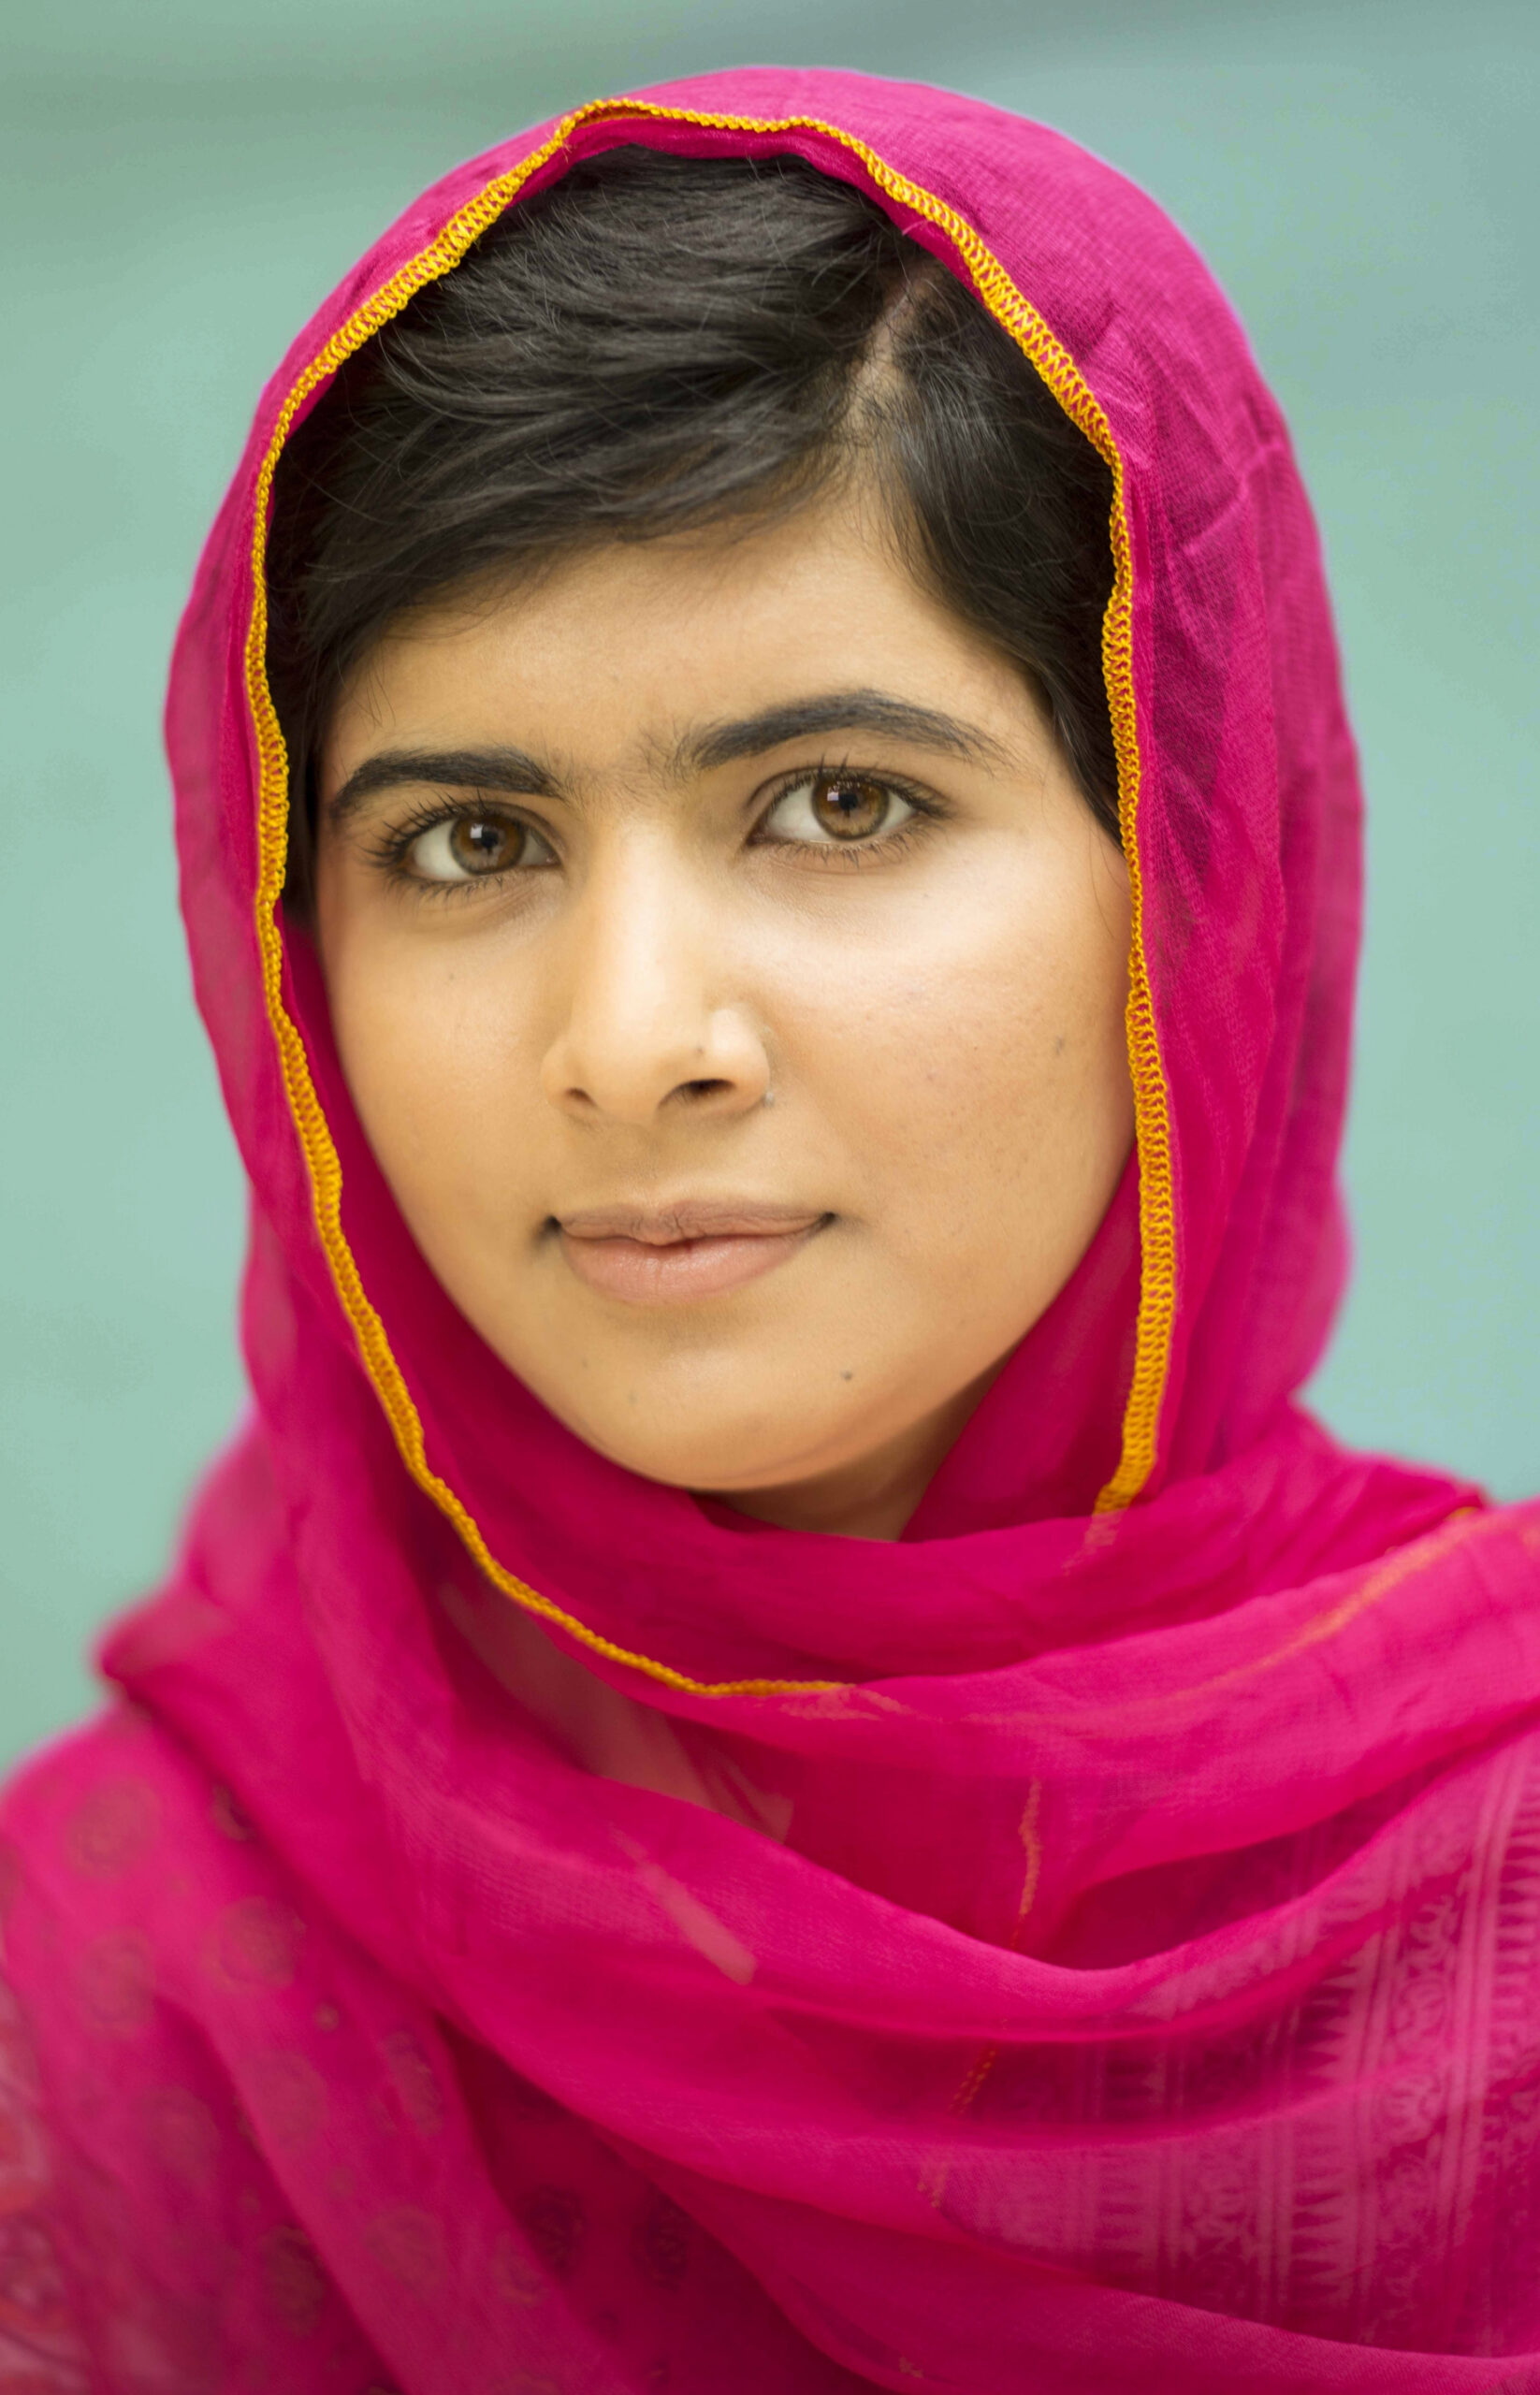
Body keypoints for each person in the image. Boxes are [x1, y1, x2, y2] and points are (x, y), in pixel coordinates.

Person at [1, 62, 1536, 2394]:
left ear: (1193, 884)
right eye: (465, 844)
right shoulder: (107, 2000)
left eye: (838, 802)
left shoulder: (1488, 1881)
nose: (630, 1041)